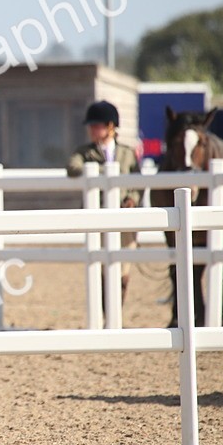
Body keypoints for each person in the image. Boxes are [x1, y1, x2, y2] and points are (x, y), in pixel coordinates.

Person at [67, 100, 141, 302]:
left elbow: (139, 182)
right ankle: (104, 313)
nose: (91, 129)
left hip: (124, 218)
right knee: (100, 269)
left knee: (124, 269)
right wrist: (104, 171)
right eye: (91, 126)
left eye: (96, 125)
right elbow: (72, 168)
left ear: (110, 126)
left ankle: (116, 314)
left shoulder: (127, 153)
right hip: (97, 217)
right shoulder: (85, 152)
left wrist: (132, 199)